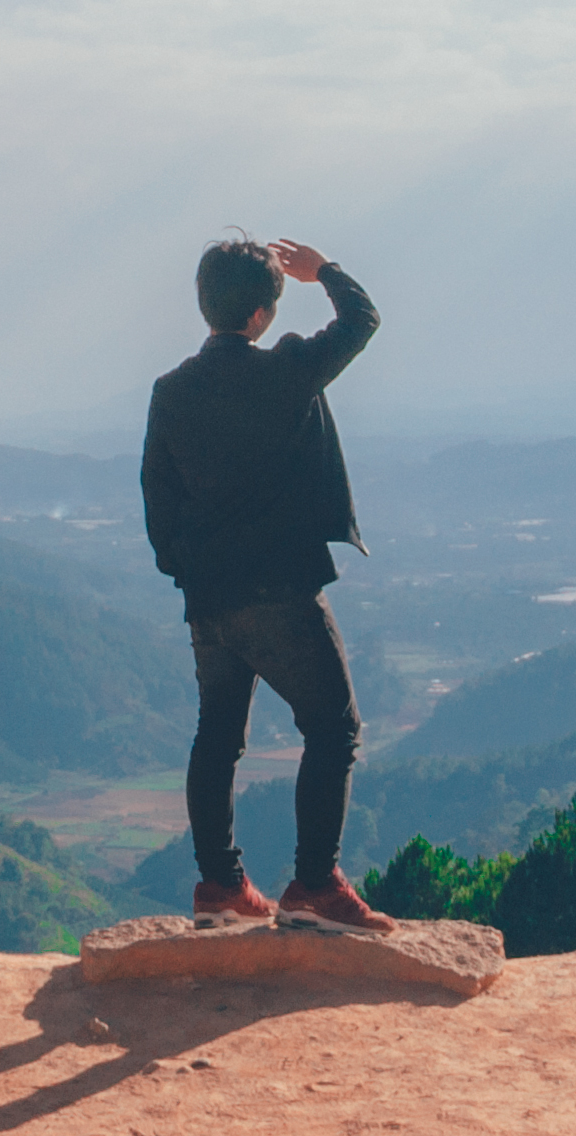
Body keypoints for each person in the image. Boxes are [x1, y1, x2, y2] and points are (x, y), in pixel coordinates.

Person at [138, 233, 393, 930]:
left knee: (216, 736)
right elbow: (361, 321)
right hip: (279, 593)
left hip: (209, 601)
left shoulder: (172, 391)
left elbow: (156, 499)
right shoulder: (284, 373)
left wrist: (187, 570)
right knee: (334, 729)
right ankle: (314, 883)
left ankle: (221, 885)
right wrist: (324, 271)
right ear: (259, 316)